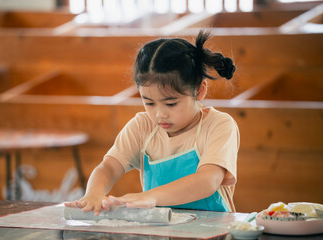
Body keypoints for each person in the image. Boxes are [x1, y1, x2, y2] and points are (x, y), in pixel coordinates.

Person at [65, 30, 239, 215]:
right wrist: (93, 194)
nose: (159, 115)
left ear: (199, 91)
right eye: (149, 103)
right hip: (160, 230)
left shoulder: (219, 125)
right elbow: (108, 167)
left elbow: (207, 181)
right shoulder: (142, 127)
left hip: (214, 230)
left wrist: (150, 197)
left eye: (171, 103)